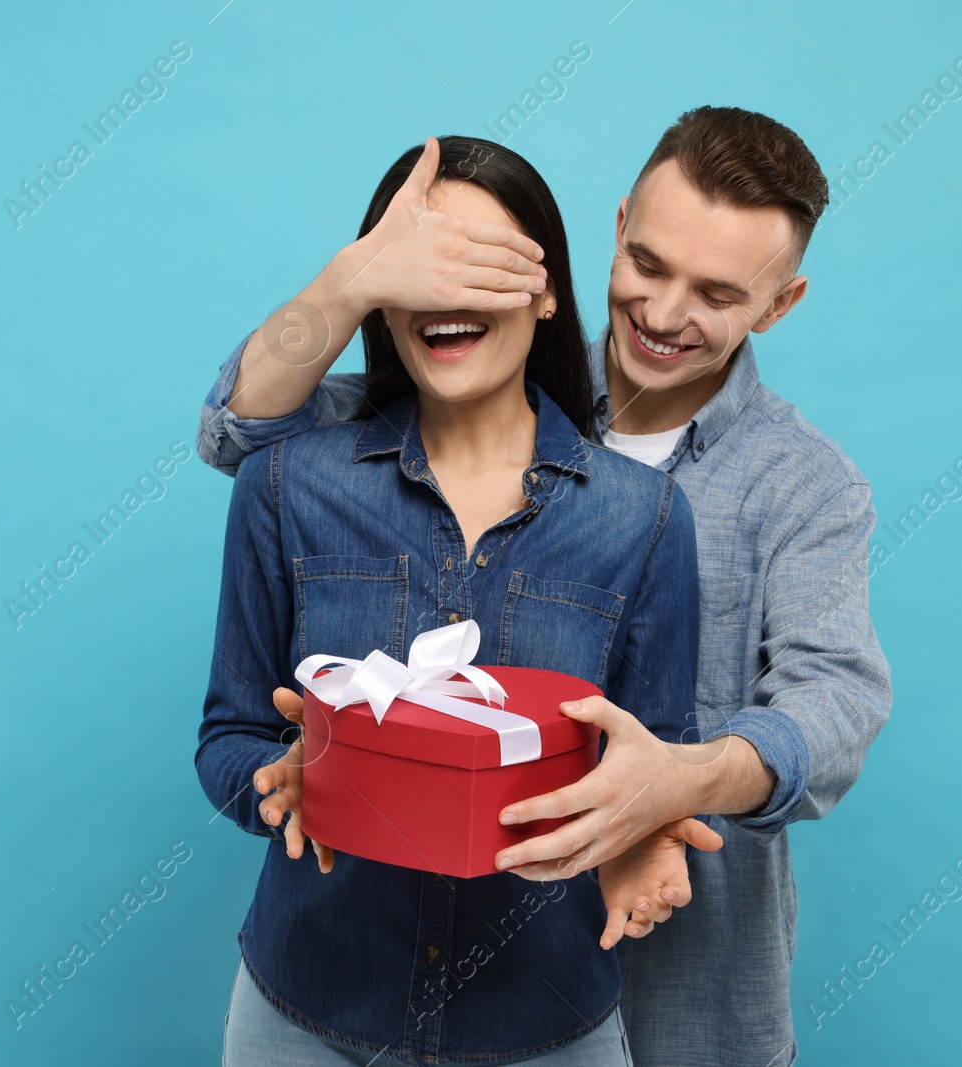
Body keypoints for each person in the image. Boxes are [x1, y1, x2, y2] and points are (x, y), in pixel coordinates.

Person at [197, 107, 894, 1065]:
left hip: (669, 972)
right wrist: (360, 274)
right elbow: (238, 433)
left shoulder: (798, 485)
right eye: (648, 266)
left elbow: (837, 704)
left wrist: (675, 785)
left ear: (779, 304)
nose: (663, 312)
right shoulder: (447, 388)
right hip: (366, 973)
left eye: (718, 292)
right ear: (610, 235)